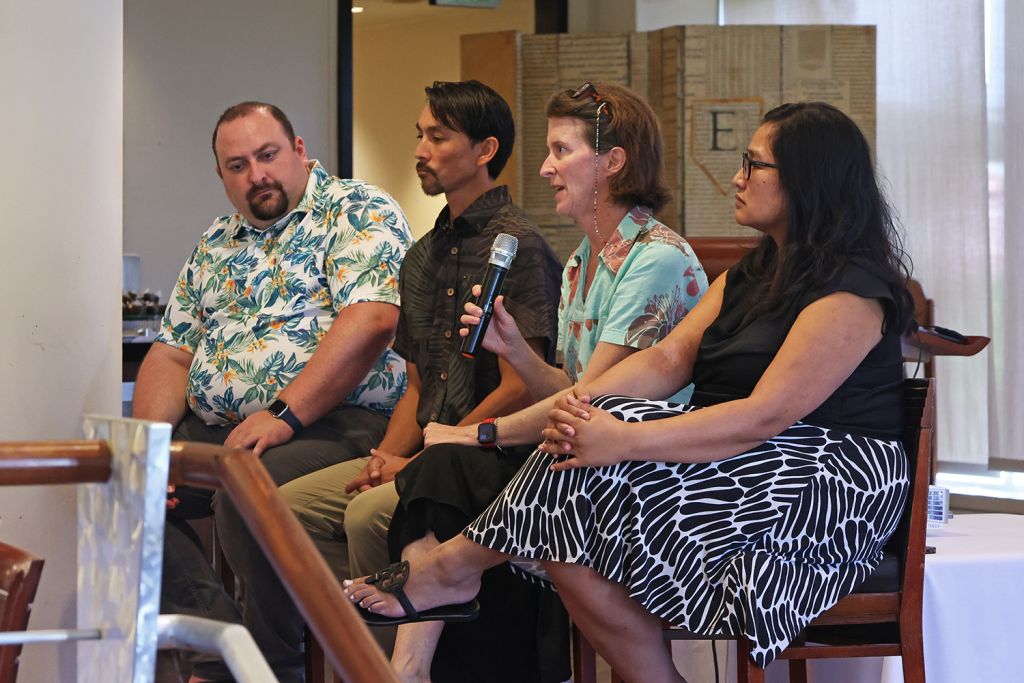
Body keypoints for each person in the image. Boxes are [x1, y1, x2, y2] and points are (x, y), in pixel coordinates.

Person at [344, 100, 916, 683]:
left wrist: (621, 437)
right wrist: (565, 420)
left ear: (807, 181)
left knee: (592, 456)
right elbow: (665, 359)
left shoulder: (853, 292)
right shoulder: (754, 271)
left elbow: (763, 415)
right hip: (734, 459)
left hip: (821, 481)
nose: (738, 177)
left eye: (754, 165)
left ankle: (451, 567)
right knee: (571, 514)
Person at [374, 82, 707, 683]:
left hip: (645, 473)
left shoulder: (656, 257)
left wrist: (477, 434)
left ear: (612, 162)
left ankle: (417, 655)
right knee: (441, 469)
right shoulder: (582, 261)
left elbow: (593, 399)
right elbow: (569, 383)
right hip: (581, 452)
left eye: (561, 150)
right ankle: (416, 661)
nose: (545, 166)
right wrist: (513, 352)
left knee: (448, 464)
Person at [270, 80, 562, 676]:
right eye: (419, 135)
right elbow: (417, 387)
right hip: (425, 447)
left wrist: (427, 452)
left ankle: (397, 666)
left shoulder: (520, 244)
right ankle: (361, 657)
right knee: (285, 508)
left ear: (484, 150)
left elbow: (519, 386)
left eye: (438, 136)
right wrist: (385, 454)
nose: (421, 150)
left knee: (361, 515)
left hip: (486, 455)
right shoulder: (422, 254)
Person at [133, 101, 413, 683]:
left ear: (300, 150)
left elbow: (371, 323)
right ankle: (225, 662)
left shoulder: (357, 211)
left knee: (244, 493)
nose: (256, 175)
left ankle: (274, 668)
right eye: (237, 165)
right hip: (222, 426)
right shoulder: (216, 239)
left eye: (267, 156)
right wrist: (152, 448)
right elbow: (173, 350)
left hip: (336, 421)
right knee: (129, 491)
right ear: (221, 177)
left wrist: (284, 413)